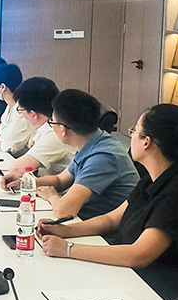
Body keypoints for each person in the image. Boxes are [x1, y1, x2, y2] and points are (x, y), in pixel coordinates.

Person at [36, 104, 178, 300]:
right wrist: (64, 230)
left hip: (166, 296)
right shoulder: (153, 178)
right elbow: (112, 219)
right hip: (134, 279)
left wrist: (68, 249)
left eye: (134, 131)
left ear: (146, 142)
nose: (131, 136)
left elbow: (138, 255)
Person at [35, 89, 139, 221]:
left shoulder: (104, 157)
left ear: (63, 129)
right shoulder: (92, 140)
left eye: (52, 122)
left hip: (104, 230)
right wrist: (28, 182)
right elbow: (61, 180)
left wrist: (51, 196)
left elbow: (64, 211)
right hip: (86, 220)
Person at [0, 77, 75, 189]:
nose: (21, 114)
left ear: (33, 114)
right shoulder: (45, 129)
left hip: (59, 194)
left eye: (21, 110)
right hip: (44, 187)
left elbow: (16, 169)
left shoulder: (55, 133)